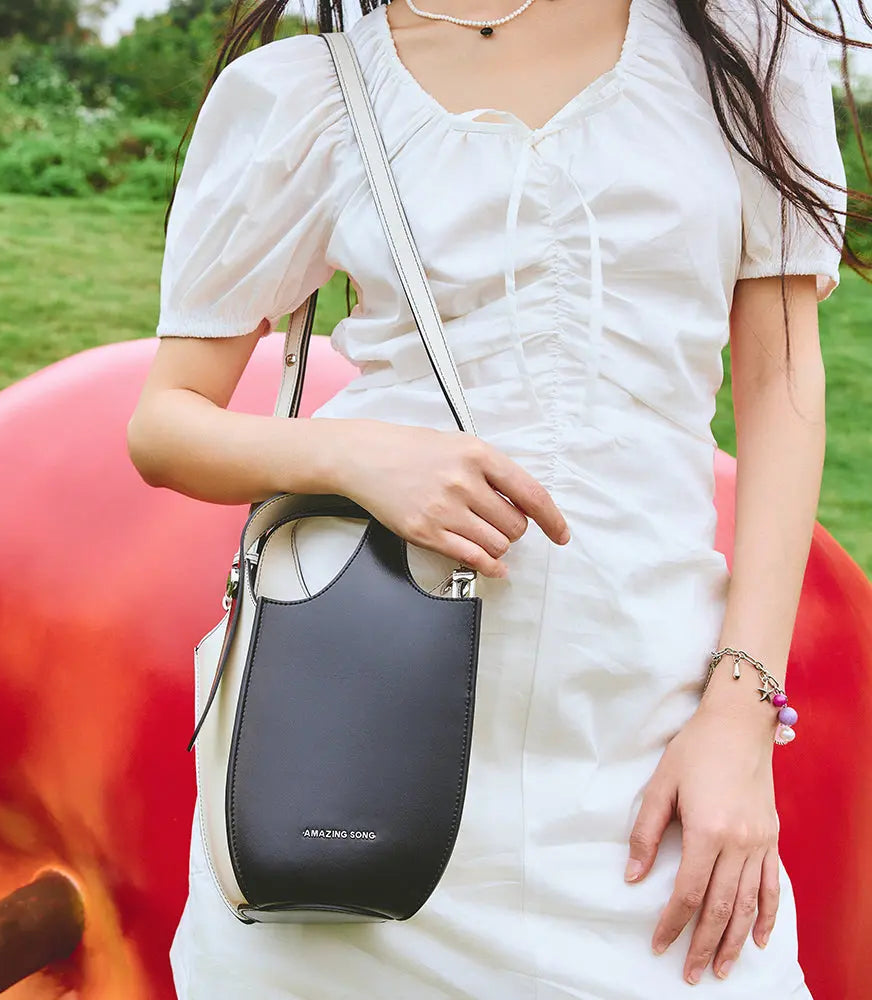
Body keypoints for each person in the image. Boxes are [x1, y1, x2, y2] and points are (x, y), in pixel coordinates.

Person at [126, 0, 862, 995]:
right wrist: (356, 457)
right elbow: (165, 425)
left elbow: (781, 390)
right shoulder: (316, 90)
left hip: (638, 717)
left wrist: (740, 714)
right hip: (355, 735)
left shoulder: (737, 54)